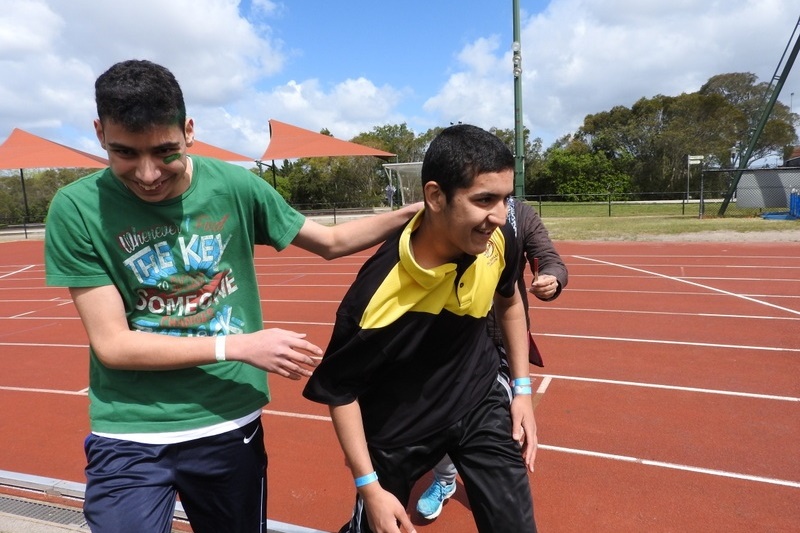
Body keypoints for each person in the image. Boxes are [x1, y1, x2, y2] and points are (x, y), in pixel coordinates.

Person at [43, 59, 420, 533]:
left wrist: (419, 212)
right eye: (124, 153)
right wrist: (239, 346)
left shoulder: (236, 186)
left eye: (165, 151)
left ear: (189, 130)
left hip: (226, 421)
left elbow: (331, 243)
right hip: (129, 429)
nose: (147, 173)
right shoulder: (77, 209)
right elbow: (113, 345)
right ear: (99, 133)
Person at [303, 124, 538, 533]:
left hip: (477, 397)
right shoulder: (376, 294)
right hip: (398, 429)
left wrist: (522, 392)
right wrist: (369, 487)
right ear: (434, 196)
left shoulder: (500, 239)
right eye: (484, 200)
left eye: (505, 198)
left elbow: (511, 302)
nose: (499, 217)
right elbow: (340, 392)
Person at [415, 196, 568, 521]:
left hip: (502, 341)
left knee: (509, 425)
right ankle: (445, 480)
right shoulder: (448, 209)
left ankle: (498, 477)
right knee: (439, 419)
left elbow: (550, 258)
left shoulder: (520, 214)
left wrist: (551, 279)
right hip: (450, 341)